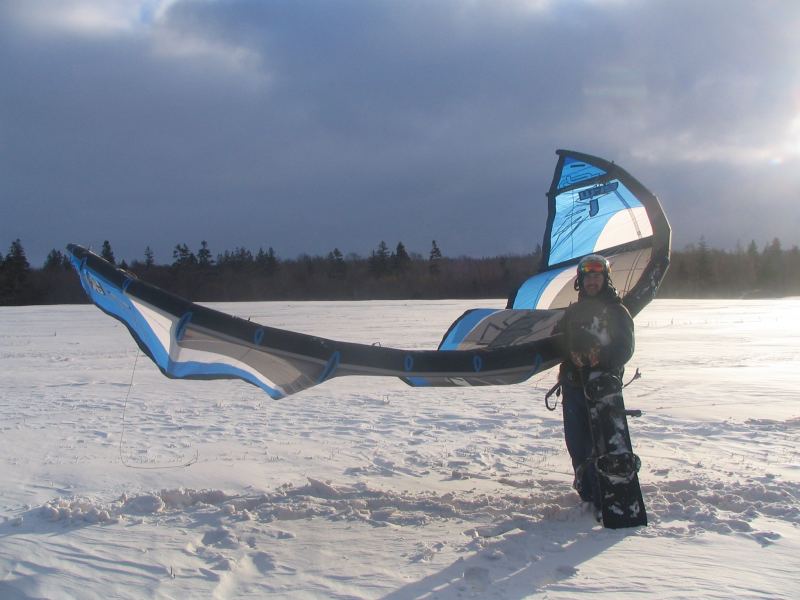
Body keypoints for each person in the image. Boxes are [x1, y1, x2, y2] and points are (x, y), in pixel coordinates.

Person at [557, 254, 635, 508]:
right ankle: (586, 486)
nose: (592, 281)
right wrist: (571, 362)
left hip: (603, 388)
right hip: (574, 386)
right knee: (577, 441)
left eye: (597, 277)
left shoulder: (616, 310)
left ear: (605, 279)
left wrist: (598, 358)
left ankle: (608, 488)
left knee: (602, 441)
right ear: (581, 281)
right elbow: (560, 344)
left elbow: (625, 348)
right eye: (588, 277)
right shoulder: (573, 312)